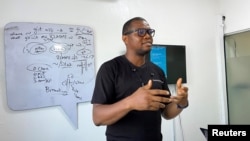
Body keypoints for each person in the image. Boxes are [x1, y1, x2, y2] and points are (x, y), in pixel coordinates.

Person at [91, 17, 189, 141]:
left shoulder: (157, 71)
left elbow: (167, 113)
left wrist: (181, 103)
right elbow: (97, 118)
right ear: (125, 38)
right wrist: (130, 103)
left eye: (149, 32)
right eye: (141, 32)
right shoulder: (110, 69)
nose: (148, 36)